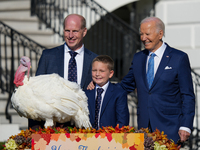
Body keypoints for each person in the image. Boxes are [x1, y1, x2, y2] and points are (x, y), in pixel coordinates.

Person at [87, 17, 195, 143]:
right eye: (141, 34)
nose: (143, 38)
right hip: (144, 128)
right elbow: (126, 85)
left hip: (170, 127)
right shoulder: (139, 58)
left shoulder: (178, 58)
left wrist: (185, 125)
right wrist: (101, 84)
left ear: (160, 34)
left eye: (147, 34)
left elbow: (187, 95)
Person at [28, 14, 97, 129]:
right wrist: (34, 132)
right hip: (52, 130)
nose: (70, 35)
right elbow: (35, 95)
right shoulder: (48, 57)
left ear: (84, 32)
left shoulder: (95, 60)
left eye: (75, 31)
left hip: (85, 130)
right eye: (67, 30)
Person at [85, 55, 129, 129]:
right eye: (94, 70)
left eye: (102, 71)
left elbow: (122, 121)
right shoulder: (86, 93)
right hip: (88, 137)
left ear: (111, 74)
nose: (97, 74)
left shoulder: (118, 93)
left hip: (111, 138)